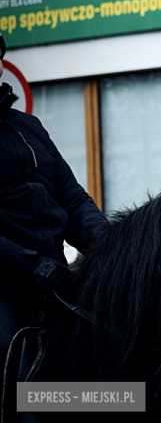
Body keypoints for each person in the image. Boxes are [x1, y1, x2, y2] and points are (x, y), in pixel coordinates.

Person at [0, 31, 109, 372]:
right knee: (17, 371)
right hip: (8, 283)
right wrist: (30, 264)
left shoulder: (29, 126)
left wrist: (111, 244)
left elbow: (73, 199)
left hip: (54, 278)